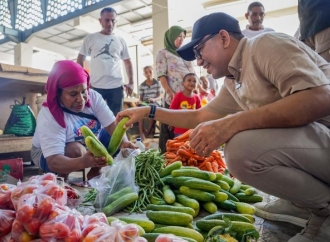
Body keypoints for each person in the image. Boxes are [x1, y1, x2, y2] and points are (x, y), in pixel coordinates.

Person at [117, 12, 330, 242]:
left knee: (241, 149)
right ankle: (304, 203)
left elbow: (319, 98)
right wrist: (150, 111)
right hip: (316, 147)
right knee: (241, 145)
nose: (198, 61)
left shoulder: (265, 45)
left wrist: (230, 124)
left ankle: (324, 210)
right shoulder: (234, 79)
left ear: (224, 38)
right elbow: (200, 115)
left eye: (199, 51)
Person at [31, 60, 136, 181]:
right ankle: (61, 181)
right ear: (58, 93)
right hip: (47, 154)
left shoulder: (94, 97)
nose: (81, 99)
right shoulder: (49, 115)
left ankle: (95, 173)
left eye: (83, 91)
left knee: (110, 135)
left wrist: (124, 143)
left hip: (85, 142)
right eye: (73, 94)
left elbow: (112, 125)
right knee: (75, 150)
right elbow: (53, 161)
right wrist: (83, 162)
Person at [77, 7, 135, 116]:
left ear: (116, 21)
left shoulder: (120, 40)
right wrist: (83, 82)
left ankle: (113, 134)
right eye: (107, 20)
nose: (110, 23)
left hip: (116, 87)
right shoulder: (91, 38)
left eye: (113, 20)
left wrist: (131, 82)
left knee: (116, 119)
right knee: (93, 117)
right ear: (100, 21)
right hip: (95, 86)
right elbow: (80, 59)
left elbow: (128, 62)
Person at [156, 25, 195, 153]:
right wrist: (169, 91)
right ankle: (164, 157)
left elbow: (192, 73)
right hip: (173, 97)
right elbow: (161, 74)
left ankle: (184, 155)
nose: (181, 39)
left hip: (187, 98)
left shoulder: (184, 53)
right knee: (168, 129)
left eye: (183, 37)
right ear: (171, 37)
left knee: (184, 130)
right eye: (178, 36)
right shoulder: (163, 53)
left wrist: (198, 89)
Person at [138, 66, 162, 140]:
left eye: (150, 72)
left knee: (152, 109)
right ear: (144, 74)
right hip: (145, 103)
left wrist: (154, 99)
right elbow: (141, 99)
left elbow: (160, 96)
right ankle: (141, 132)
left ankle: (148, 132)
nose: (148, 74)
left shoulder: (157, 83)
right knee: (139, 111)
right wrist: (139, 102)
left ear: (153, 72)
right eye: (146, 72)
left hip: (154, 102)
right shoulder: (142, 85)